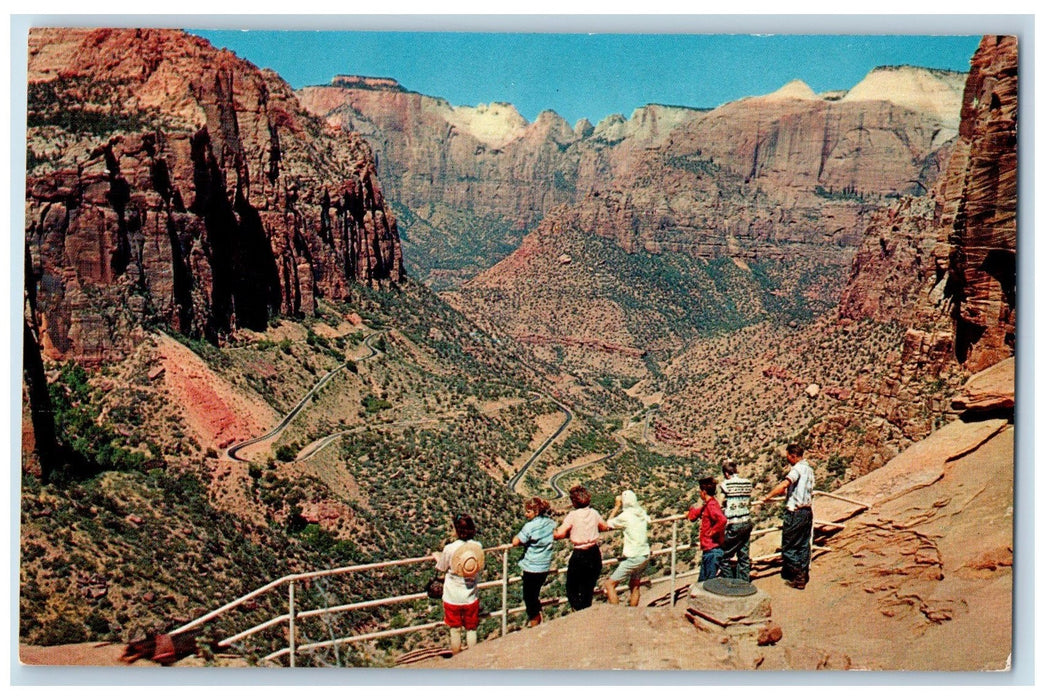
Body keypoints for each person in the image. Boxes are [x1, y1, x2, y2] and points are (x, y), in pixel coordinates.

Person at [757, 444, 815, 589]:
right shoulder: (809, 469)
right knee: (802, 544)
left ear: (793, 456)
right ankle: (803, 574)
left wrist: (767, 496)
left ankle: (798, 574)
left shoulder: (797, 469)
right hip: (807, 512)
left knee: (788, 546)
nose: (787, 458)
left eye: (788, 456)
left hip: (795, 513)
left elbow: (784, 484)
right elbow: (799, 488)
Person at [554, 485, 611, 611]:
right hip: (594, 553)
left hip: (580, 554)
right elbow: (604, 526)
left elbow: (559, 534)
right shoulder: (594, 513)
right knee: (588, 588)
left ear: (574, 501)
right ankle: (585, 613)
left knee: (571, 588)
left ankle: (579, 613)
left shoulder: (573, 515)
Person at [433, 513, 484, 653]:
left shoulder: (449, 548)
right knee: (471, 629)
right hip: (471, 597)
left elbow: (442, 568)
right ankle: (472, 658)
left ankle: (458, 660)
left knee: (455, 630)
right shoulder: (477, 546)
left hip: (452, 597)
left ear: (456, 530)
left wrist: (437, 557)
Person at [511, 496, 556, 627]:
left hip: (532, 568)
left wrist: (516, 537)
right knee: (534, 594)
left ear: (536, 512)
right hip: (545, 565)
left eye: (528, 511)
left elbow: (515, 542)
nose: (525, 514)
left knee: (529, 597)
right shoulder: (549, 522)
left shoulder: (529, 526)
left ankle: (535, 623)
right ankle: (538, 617)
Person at [603, 489, 652, 606]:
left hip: (633, 557)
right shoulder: (640, 512)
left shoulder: (625, 516)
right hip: (644, 554)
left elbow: (607, 524)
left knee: (609, 585)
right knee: (634, 585)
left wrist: (616, 507)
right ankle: (632, 613)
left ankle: (618, 614)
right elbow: (648, 519)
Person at [719, 460, 754, 581]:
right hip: (747, 522)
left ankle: (729, 583)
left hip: (734, 524)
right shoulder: (747, 483)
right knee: (743, 556)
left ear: (727, 474)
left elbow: (720, 503)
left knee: (723, 556)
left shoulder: (726, 484)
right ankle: (744, 583)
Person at [687, 476, 727, 581]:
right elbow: (694, 515)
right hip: (709, 550)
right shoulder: (709, 504)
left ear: (704, 492)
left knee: (709, 583)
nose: (700, 493)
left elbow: (722, 520)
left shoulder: (711, 506)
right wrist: (691, 512)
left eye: (700, 491)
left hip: (712, 550)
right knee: (703, 582)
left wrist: (712, 531)